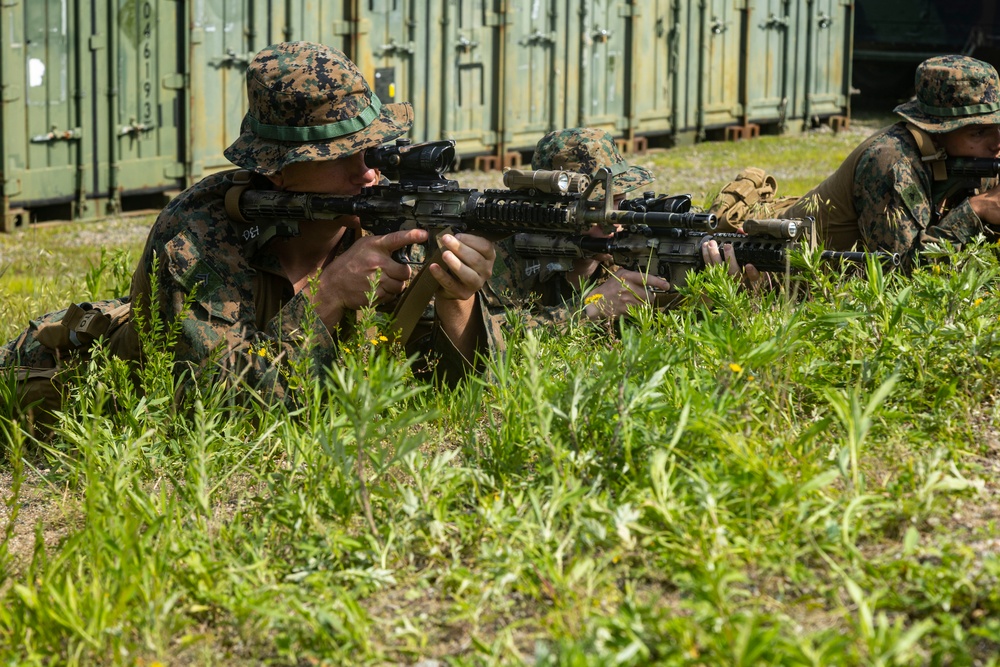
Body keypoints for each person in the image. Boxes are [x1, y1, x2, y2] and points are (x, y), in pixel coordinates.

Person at [2, 41, 499, 430]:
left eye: (372, 149)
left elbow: (442, 387)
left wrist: (456, 297)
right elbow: (214, 407)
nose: (368, 170)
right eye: (341, 153)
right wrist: (329, 296)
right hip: (58, 373)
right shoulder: (198, 234)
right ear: (278, 170)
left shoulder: (383, 218)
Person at [488, 127, 757, 325]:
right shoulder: (506, 256)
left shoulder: (633, 250)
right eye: (599, 205)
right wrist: (588, 309)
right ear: (555, 209)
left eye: (620, 200)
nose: (616, 219)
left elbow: (671, 332)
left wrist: (716, 296)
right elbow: (494, 343)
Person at [775, 54, 1000, 264]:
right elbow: (900, 271)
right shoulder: (891, 162)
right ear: (936, 131)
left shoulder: (977, 157)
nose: (996, 143)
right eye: (978, 132)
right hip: (790, 279)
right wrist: (975, 210)